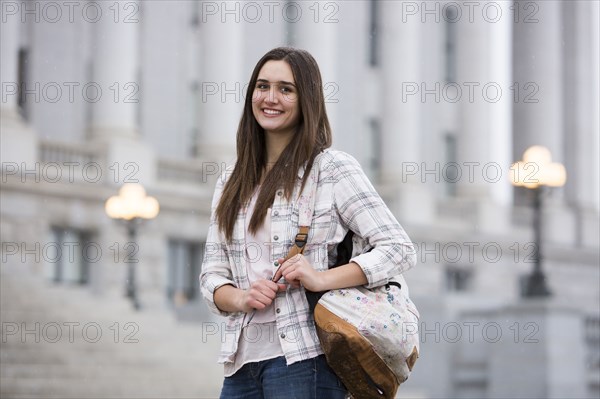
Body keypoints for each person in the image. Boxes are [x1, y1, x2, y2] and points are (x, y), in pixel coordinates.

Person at [200, 47, 416, 399]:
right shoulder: (231, 179)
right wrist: (242, 298)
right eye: (262, 86)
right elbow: (211, 275)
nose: (270, 98)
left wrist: (320, 277)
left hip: (305, 359)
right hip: (241, 363)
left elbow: (398, 248)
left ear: (307, 100)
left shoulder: (331, 169)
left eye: (286, 89)